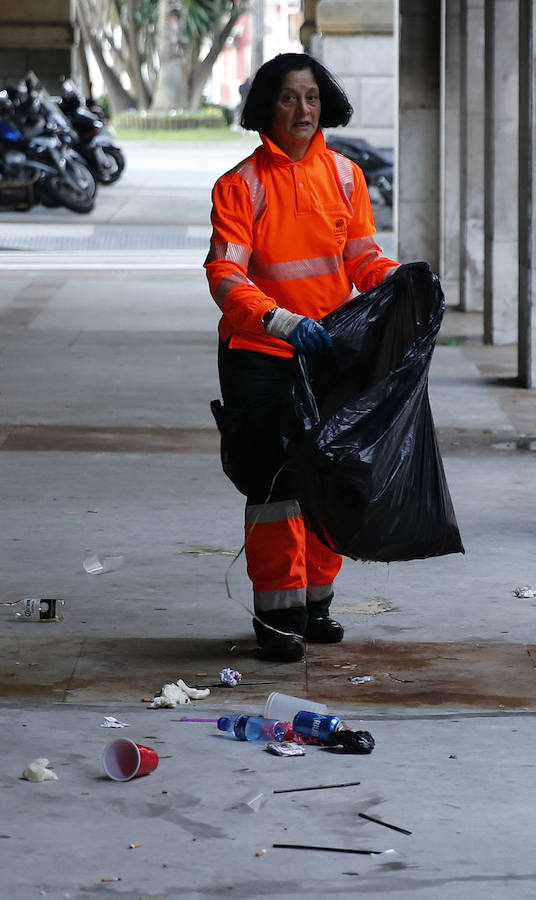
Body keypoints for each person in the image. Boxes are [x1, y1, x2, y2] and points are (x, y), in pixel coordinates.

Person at [204, 53, 400, 662]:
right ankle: (278, 615)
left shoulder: (345, 177)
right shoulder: (241, 185)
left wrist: (401, 285)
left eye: (311, 98)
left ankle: (316, 602)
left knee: (330, 478)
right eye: (289, 98)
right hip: (261, 352)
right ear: (267, 107)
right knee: (275, 486)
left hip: (327, 354)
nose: (302, 111)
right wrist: (283, 322)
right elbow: (225, 274)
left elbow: (363, 261)